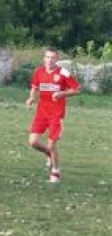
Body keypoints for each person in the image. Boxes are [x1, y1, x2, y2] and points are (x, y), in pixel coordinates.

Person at [26, 47, 81, 183]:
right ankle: (49, 154)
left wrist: (62, 93)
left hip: (56, 114)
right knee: (33, 142)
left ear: (57, 60)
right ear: (44, 58)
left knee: (51, 145)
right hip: (41, 113)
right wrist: (31, 98)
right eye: (47, 57)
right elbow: (34, 87)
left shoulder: (63, 72)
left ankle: (55, 171)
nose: (49, 60)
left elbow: (77, 89)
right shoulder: (39, 72)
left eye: (53, 58)